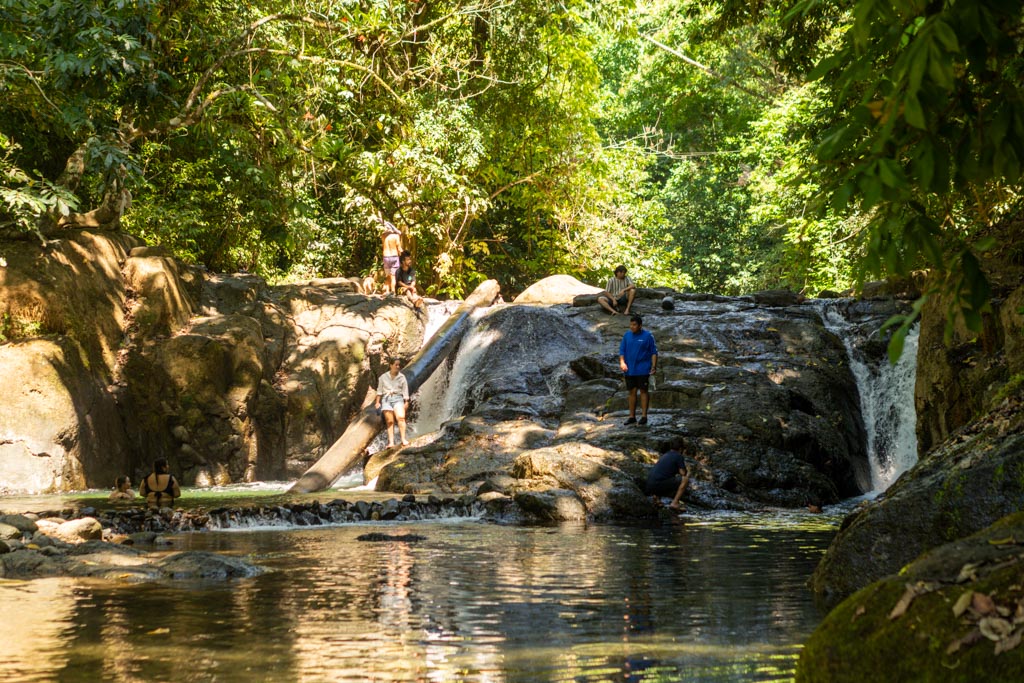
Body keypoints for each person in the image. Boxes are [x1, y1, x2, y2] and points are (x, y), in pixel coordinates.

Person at [619, 313, 658, 425]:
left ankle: (644, 416)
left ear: (640, 325)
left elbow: (654, 352)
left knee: (643, 391)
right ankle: (632, 416)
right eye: (631, 325)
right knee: (631, 392)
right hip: (629, 369)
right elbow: (622, 351)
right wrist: (622, 362)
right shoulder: (627, 336)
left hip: (643, 369)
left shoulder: (648, 336)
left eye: (634, 325)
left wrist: (654, 367)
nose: (632, 327)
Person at [645, 438, 691, 510]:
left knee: (663, 476)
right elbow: (683, 473)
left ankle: (657, 499)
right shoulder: (678, 456)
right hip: (658, 485)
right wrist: (688, 470)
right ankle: (675, 503)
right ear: (681, 449)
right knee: (685, 480)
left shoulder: (665, 455)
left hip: (649, 485)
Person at [374, 357, 411, 446]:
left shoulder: (402, 377)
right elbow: (379, 391)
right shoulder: (383, 377)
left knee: (401, 418)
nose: (398, 367)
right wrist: (377, 402)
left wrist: (406, 401)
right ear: (391, 365)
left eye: (399, 365)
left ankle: (403, 439)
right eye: (396, 365)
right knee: (390, 421)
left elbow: (405, 390)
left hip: (398, 398)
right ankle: (391, 442)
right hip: (386, 399)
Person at [381, 220, 403, 295]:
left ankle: (387, 291)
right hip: (394, 256)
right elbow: (399, 248)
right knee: (393, 276)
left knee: (388, 275)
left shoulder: (383, 235)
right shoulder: (396, 236)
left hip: (386, 256)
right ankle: (393, 292)